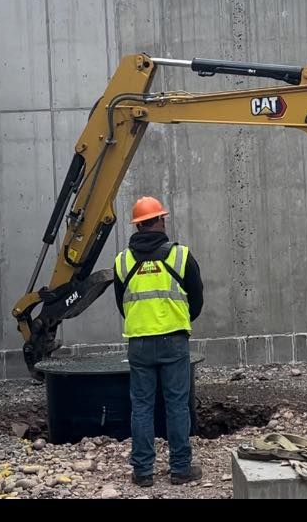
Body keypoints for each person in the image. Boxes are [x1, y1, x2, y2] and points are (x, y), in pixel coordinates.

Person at [113, 196, 205, 487]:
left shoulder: (122, 261)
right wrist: (178, 319)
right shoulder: (180, 256)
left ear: (138, 225)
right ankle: (180, 469)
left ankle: (143, 472)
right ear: (159, 221)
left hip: (139, 342)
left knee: (141, 405)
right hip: (173, 340)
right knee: (177, 404)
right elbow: (197, 297)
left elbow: (122, 302)